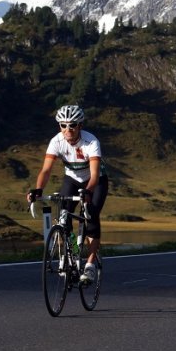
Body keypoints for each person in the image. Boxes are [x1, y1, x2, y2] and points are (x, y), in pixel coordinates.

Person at [27, 105, 108, 285]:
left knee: (91, 215)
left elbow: (94, 175)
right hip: (71, 179)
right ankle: (73, 250)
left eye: (72, 125)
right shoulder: (56, 141)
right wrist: (38, 189)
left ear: (80, 125)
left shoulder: (91, 142)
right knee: (63, 217)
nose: (67, 130)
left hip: (96, 181)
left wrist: (88, 191)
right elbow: (46, 170)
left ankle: (90, 264)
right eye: (63, 125)